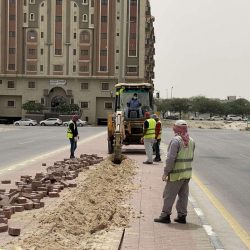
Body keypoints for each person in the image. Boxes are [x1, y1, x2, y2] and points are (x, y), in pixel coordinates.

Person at [154, 120, 195, 224]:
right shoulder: (191, 141)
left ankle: (165, 215)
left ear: (176, 129)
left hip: (176, 174)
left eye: (174, 128)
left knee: (169, 195)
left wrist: (166, 172)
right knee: (183, 196)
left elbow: (170, 159)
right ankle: (182, 216)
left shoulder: (176, 141)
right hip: (186, 174)